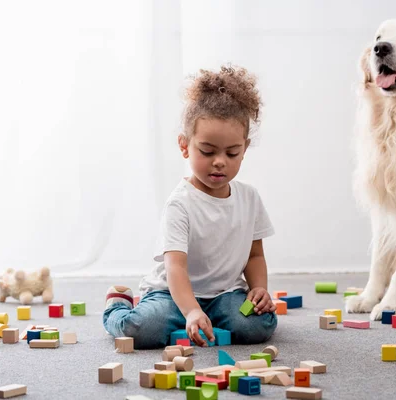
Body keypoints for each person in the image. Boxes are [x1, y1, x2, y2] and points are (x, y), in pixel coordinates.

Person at [102, 65, 277, 349]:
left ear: (244, 148)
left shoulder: (249, 198)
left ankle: (210, 318)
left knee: (258, 325)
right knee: (142, 330)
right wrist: (192, 309)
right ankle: (117, 305)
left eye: (232, 153)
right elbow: (176, 268)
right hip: (173, 294)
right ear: (185, 146)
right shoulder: (180, 204)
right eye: (207, 151)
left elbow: (255, 256)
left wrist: (258, 289)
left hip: (225, 295)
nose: (219, 161)